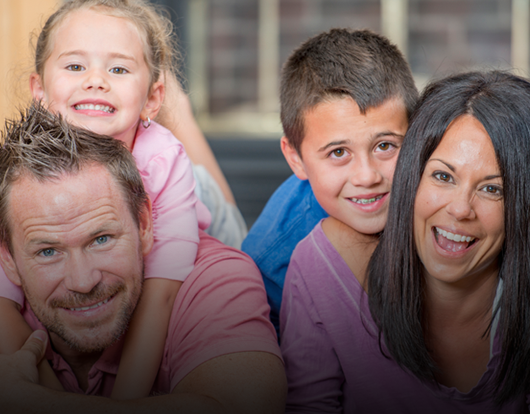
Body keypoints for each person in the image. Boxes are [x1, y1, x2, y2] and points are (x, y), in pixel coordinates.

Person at [0, 0, 241, 400]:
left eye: (118, 68)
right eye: (76, 66)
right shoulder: (18, 180)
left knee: (230, 224)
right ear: (38, 91)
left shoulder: (166, 160)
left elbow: (162, 292)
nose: (96, 80)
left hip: (201, 216)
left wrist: (125, 398)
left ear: (152, 98)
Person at [0, 103, 286, 413]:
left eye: (101, 239)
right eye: (48, 252)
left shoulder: (215, 280)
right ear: (9, 260)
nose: (82, 282)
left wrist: (33, 402)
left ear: (145, 224)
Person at [280, 70, 530, 412]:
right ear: (412, 173)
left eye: (492, 189)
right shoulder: (325, 265)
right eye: (443, 176)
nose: (459, 210)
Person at [242, 28, 418, 334]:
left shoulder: (443, 202)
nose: (367, 176)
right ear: (295, 158)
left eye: (385, 146)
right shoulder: (270, 264)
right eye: (339, 152)